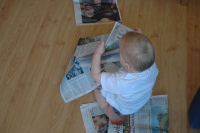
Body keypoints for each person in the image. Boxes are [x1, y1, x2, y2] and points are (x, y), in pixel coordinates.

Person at [91, 29, 159, 125]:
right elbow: (142, 50)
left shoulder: (121, 81)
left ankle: (107, 110)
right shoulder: (151, 65)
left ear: (127, 66)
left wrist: (97, 54)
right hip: (143, 99)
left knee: (97, 89)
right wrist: (138, 36)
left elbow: (95, 76)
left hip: (125, 108)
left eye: (120, 52)